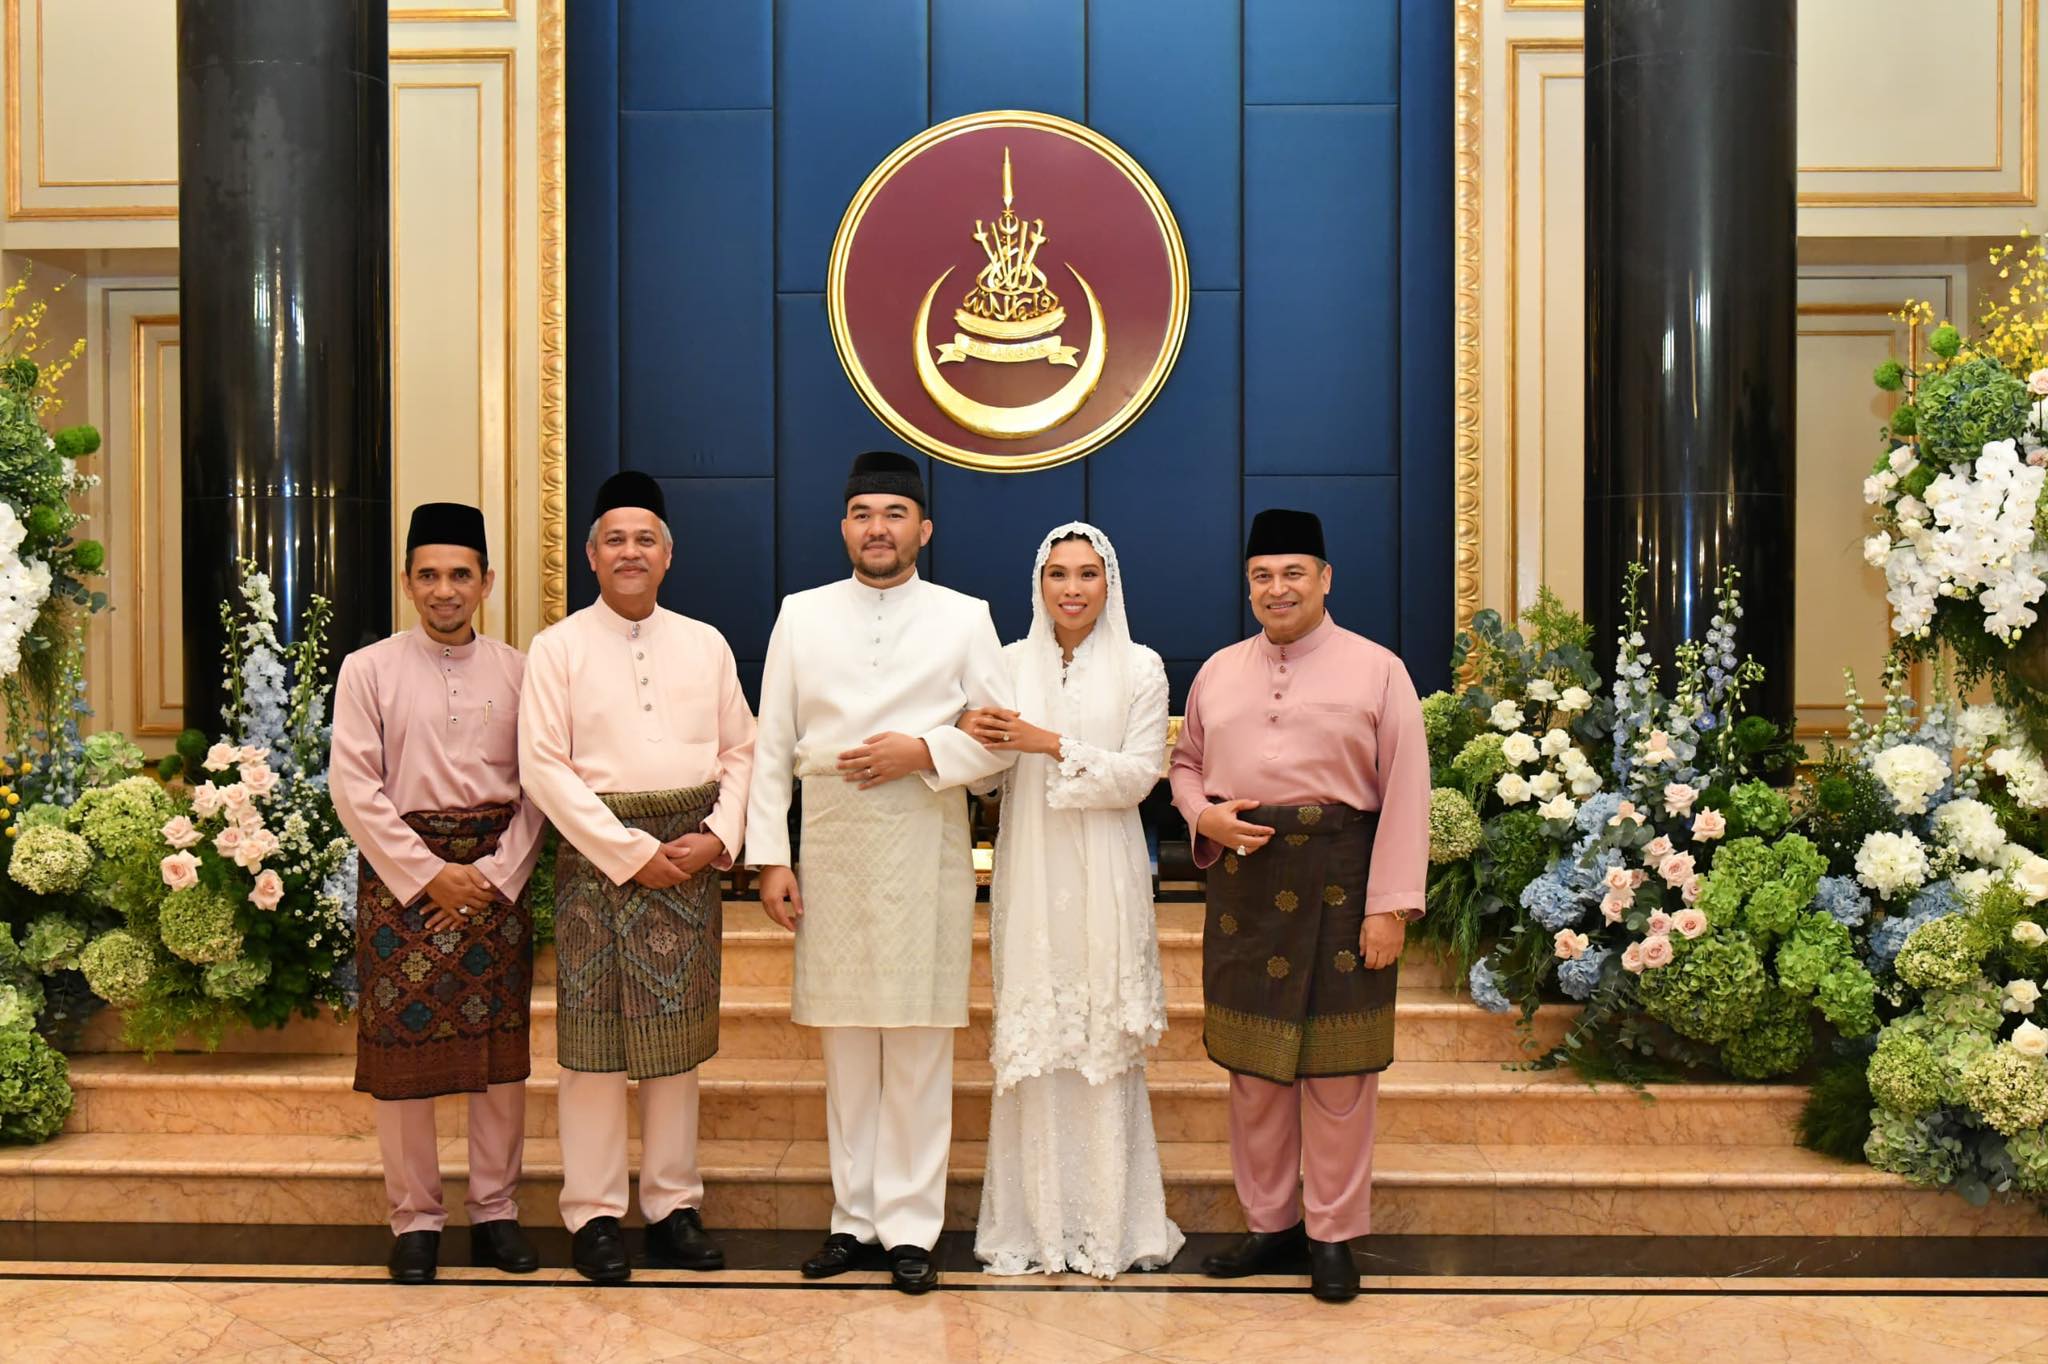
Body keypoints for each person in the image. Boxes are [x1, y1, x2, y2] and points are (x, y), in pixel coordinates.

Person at [745, 450, 1014, 1295]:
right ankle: (853, 1221)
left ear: (923, 530)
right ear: (844, 527)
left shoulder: (966, 617)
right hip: (831, 840)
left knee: (920, 1045)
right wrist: (771, 857)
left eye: (894, 514)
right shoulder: (801, 614)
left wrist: (924, 750)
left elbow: (1002, 741)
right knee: (848, 1046)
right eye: (863, 514)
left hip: (923, 837)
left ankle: (910, 1228)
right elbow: (770, 743)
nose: (878, 529)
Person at [1167, 508, 1429, 1303]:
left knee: (1339, 1075)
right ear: (1247, 586)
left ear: (1324, 579)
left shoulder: (1379, 669)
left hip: (1344, 882)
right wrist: (1203, 817)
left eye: (1292, 573)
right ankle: (1271, 1225)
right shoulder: (1217, 671)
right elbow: (1185, 764)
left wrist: (1390, 907)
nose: (1276, 588)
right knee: (1255, 1071)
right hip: (1246, 889)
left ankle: (1334, 1236)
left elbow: (1407, 790)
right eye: (1261, 576)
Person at [518, 470, 757, 1285]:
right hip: (596, 866)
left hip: (688, 862)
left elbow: (742, 750)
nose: (631, 552)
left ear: (668, 555)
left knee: (675, 1045)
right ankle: (592, 1215)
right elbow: (543, 767)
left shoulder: (705, 643)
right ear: (591, 555)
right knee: (591, 1050)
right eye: (615, 539)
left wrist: (717, 836)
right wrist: (627, 852)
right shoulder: (557, 648)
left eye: (645, 539)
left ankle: (672, 1206)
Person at [331, 502, 547, 1285]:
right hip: (403, 886)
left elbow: (541, 786)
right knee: (402, 1062)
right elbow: (353, 785)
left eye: (460, 574)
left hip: (495, 884)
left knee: (500, 1059)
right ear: (407, 583)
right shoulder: (369, 670)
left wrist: (496, 875)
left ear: (487, 582)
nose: (444, 590)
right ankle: (415, 1220)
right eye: (429, 575)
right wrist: (427, 874)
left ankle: (495, 1212)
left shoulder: (521, 671)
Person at [960, 522, 1183, 1278]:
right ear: (1039, 583)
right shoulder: (1007, 664)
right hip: (1030, 872)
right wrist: (975, 738)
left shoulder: (1142, 667)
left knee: (1100, 1041)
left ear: (1108, 583)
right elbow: (986, 778)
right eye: (1058, 574)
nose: (1073, 588)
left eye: (1088, 574)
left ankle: (1111, 1227)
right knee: (1037, 1043)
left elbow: (1139, 776)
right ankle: (1035, 1229)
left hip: (1107, 877)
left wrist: (1047, 741)